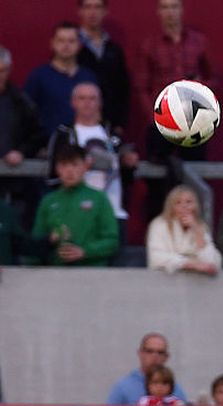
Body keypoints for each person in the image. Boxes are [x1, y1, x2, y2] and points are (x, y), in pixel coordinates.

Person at [134, 0, 216, 217]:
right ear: (158, 12)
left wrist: (201, 92)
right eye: (165, 7)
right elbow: (141, 86)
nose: (170, 13)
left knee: (194, 179)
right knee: (159, 182)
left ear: (182, 10)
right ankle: (159, 232)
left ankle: (194, 233)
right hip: (162, 122)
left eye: (174, 7)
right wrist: (154, 118)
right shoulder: (149, 45)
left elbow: (212, 78)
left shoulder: (199, 43)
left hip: (194, 120)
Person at [48, 82, 137, 245]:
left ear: (100, 102)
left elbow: (126, 178)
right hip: (78, 212)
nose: (87, 103)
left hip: (114, 210)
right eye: (82, 98)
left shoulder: (112, 133)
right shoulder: (64, 133)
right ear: (73, 102)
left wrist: (128, 164)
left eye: (92, 98)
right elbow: (53, 178)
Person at [29, 144, 117, 266]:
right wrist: (49, 240)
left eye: (75, 165)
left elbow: (112, 240)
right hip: (54, 274)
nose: (69, 171)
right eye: (64, 165)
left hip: (92, 274)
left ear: (86, 166)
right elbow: (35, 242)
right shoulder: (48, 201)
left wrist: (85, 251)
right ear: (57, 168)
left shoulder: (98, 199)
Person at [23, 22, 98, 135]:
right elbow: (27, 115)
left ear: (79, 45)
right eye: (61, 40)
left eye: (71, 41)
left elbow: (97, 112)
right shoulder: (39, 76)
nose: (66, 45)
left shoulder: (89, 77)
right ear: (52, 43)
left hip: (83, 144)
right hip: (48, 145)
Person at [0, 46, 48, 213]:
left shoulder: (21, 102)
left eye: (3, 71)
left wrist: (22, 152)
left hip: (15, 185)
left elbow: (39, 134)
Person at [76, 0, 130, 134]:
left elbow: (122, 88)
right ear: (80, 11)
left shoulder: (114, 50)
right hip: (78, 123)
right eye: (88, 7)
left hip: (109, 123)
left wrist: (120, 122)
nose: (92, 12)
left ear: (104, 12)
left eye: (97, 7)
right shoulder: (72, 47)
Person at [147, 184, 222, 275]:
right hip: (165, 280)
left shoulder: (201, 226)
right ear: (171, 207)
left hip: (196, 282)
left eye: (189, 202)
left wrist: (196, 231)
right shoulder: (159, 225)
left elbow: (212, 261)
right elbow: (156, 257)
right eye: (178, 203)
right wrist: (188, 264)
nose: (184, 207)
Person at [107, 332, 188, 405]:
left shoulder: (175, 389)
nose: (155, 356)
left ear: (166, 357)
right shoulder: (122, 388)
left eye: (160, 352)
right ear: (140, 353)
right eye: (149, 351)